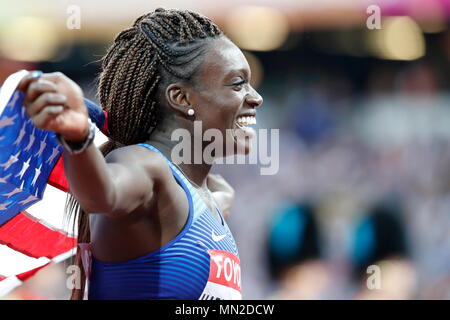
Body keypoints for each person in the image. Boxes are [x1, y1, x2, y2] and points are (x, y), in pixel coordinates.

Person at [17, 8, 263, 300]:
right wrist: (78, 138)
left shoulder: (213, 197)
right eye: (237, 83)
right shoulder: (145, 167)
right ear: (182, 98)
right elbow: (101, 195)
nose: (256, 97)